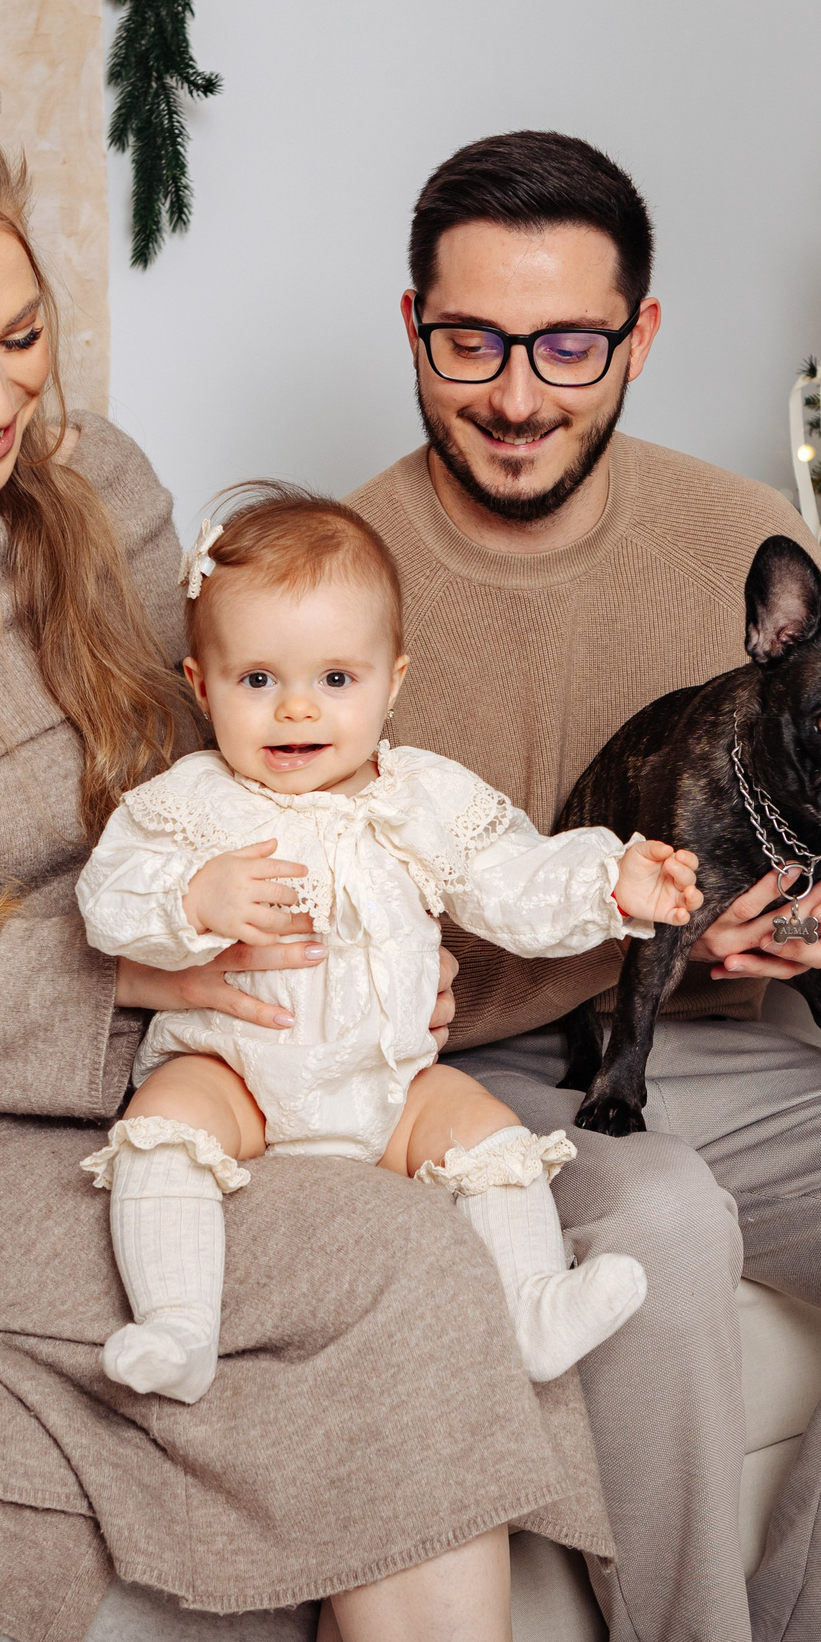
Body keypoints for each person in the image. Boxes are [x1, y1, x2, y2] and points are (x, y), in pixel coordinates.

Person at [0, 75, 608, 1642]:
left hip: (188, 1077)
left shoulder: (99, 485)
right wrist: (138, 979)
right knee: (396, 1253)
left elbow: (234, 768)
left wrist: (356, 947)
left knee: (447, 1229)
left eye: (21, 335)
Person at [344, 130, 821, 1642]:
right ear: (413, 325)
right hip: (480, 1073)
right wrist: (655, 939)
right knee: (662, 1219)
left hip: (747, 1045)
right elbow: (334, 926)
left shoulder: (735, 535)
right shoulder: (338, 571)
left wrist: (813, 923)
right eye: (471, 340)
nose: (516, 393)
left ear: (639, 335)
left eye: (568, 343)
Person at [77, 490, 700, 1404]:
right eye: (258, 680)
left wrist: (610, 883)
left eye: (336, 679)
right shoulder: (191, 802)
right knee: (166, 1121)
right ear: (202, 685)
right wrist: (192, 896)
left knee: (485, 1127)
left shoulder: (422, 796)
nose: (297, 709)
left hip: (390, 1082)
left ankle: (533, 1305)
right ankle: (179, 1324)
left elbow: (511, 875)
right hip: (237, 1073)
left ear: (392, 681)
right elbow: (105, 900)